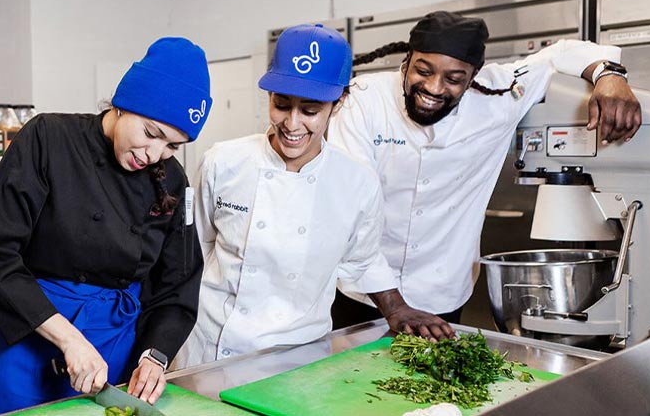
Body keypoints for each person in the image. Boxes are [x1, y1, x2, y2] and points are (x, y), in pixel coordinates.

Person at [327, 11, 641, 327]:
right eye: (423, 71)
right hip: (361, 294)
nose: (434, 88)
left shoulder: (500, 95)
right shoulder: (364, 100)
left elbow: (560, 54)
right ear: (407, 61)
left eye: (453, 79)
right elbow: (353, 210)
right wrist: (393, 306)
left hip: (443, 295)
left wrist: (610, 75)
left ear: (474, 76)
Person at [173, 24, 453, 370]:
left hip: (296, 356)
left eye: (310, 110)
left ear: (338, 104)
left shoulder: (357, 183)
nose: (291, 124)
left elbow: (362, 260)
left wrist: (395, 307)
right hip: (209, 348)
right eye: (281, 105)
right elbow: (191, 251)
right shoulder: (224, 160)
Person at [0, 37, 211, 416]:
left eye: (172, 146)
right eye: (150, 134)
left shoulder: (172, 181)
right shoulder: (47, 139)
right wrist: (68, 339)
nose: (154, 155)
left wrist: (154, 356)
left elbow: (177, 284)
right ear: (124, 104)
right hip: (30, 336)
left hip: (112, 349)